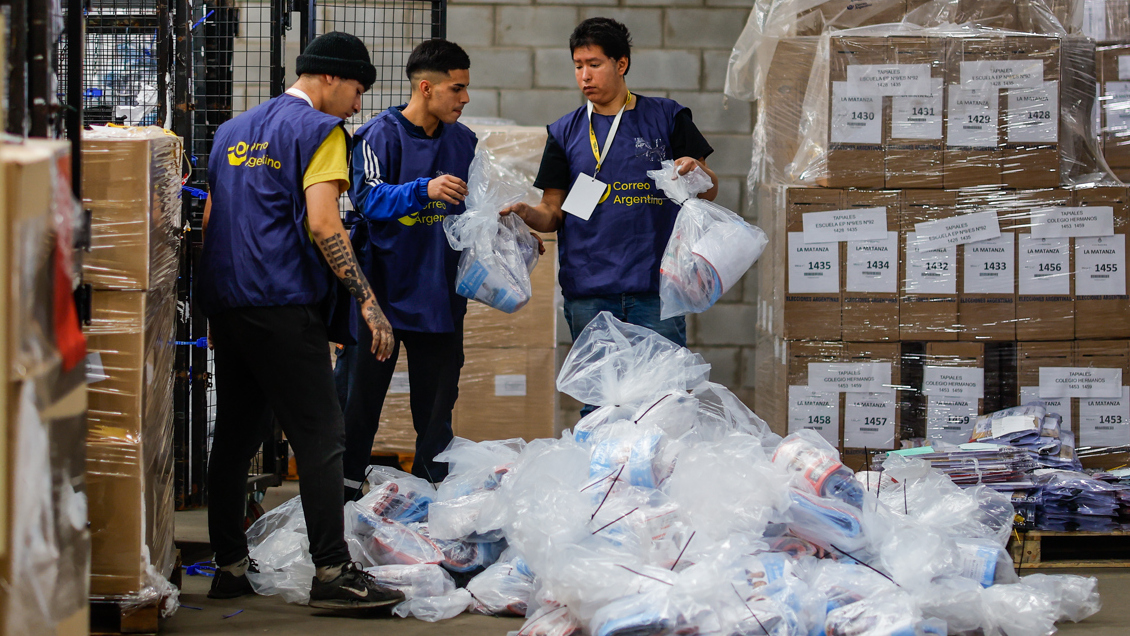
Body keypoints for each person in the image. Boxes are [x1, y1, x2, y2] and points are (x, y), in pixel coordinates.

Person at [198, 32, 404, 610]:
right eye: (358, 90)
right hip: (284, 303)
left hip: (229, 302)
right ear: (331, 79)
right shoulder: (322, 132)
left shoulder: (231, 132)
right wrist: (366, 299)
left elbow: (213, 218)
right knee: (321, 437)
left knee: (235, 437)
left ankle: (229, 566)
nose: (359, 105)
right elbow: (323, 223)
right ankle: (334, 573)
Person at [501, 17, 718, 414]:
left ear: (621, 64)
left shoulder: (667, 117)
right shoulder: (564, 131)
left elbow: (708, 187)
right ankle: (604, 477)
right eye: (578, 65)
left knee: (663, 404)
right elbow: (553, 210)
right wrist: (525, 213)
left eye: (595, 64)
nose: (584, 75)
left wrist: (697, 171)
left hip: (656, 290)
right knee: (600, 407)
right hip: (590, 290)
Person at [335, 39, 477, 498]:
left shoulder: (465, 141)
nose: (465, 98)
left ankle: (432, 507)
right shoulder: (378, 135)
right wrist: (424, 188)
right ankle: (341, 501)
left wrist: (508, 232)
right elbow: (368, 198)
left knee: (436, 418)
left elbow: (476, 209)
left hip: (439, 298)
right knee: (357, 407)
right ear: (426, 87)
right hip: (382, 299)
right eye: (457, 88)